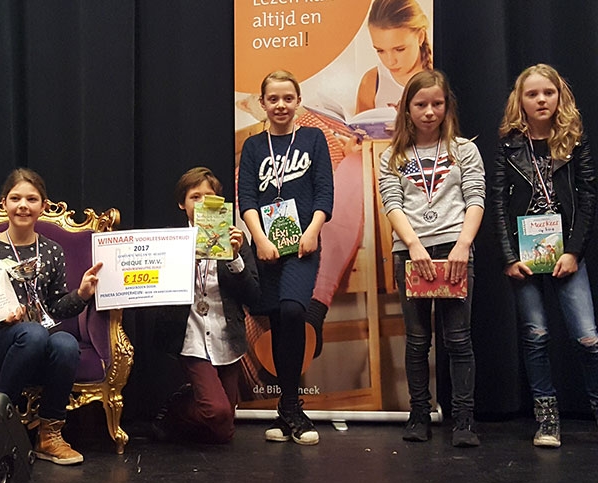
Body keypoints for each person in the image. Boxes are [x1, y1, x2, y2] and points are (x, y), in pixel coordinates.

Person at [0, 168, 102, 465]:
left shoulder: (52, 250)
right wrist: (2, 317)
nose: (23, 205)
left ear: (43, 206)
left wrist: (83, 294)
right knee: (34, 334)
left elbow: (56, 306)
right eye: (15, 198)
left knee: (64, 343)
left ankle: (49, 434)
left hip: (36, 337)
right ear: (3, 204)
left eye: (31, 199)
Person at [491, 63, 598, 448]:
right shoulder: (508, 145)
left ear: (559, 97)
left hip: (566, 256)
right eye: (532, 94)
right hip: (523, 255)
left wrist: (573, 252)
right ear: (520, 100)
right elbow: (499, 206)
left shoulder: (574, 140)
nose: (541, 100)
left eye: (547, 93)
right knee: (536, 336)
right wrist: (507, 257)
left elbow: (587, 200)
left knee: (587, 338)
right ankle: (547, 418)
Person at [378, 70, 484, 447]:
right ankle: (419, 415)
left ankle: (464, 421)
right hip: (412, 253)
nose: (429, 112)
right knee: (417, 340)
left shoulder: (464, 150)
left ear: (446, 105)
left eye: (436, 104)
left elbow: (475, 199)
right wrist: (414, 246)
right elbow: (392, 204)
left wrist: (462, 245)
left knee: (458, 339)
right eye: (421, 104)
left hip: (455, 251)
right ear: (407, 108)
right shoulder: (392, 155)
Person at [238, 70, 334, 445]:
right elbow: (247, 197)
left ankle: (292, 406)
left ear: (298, 101)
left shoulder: (313, 139)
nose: (280, 105)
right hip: (266, 248)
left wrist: (312, 231)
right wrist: (259, 238)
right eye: (273, 99)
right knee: (277, 321)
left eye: (287, 98)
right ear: (262, 103)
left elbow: (324, 192)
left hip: (304, 245)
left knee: (295, 311)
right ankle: (286, 411)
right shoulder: (253, 146)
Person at [152, 167, 259, 444]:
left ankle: (185, 404)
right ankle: (174, 411)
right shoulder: (170, 241)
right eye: (194, 197)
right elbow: (154, 292)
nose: (200, 203)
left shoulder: (235, 238)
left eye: (208, 197)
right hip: (191, 337)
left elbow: (254, 296)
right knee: (219, 416)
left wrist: (236, 258)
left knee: (223, 430)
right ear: (182, 203)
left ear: (218, 202)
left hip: (227, 337)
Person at [355, 0, 433, 113]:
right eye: (380, 51)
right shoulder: (371, 82)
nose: (390, 62)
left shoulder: (443, 73)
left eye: (399, 49)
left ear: (420, 37)